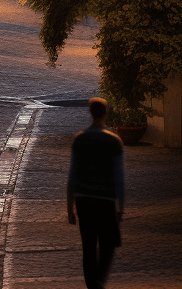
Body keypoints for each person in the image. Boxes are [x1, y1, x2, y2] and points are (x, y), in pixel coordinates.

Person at [67, 97, 125, 289]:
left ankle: (92, 285)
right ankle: (99, 281)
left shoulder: (80, 139)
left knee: (89, 247)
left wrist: (69, 208)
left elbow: (72, 175)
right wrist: (121, 207)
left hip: (84, 201)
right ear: (105, 113)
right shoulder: (114, 141)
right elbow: (119, 177)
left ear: (90, 113)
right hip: (105, 200)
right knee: (108, 244)